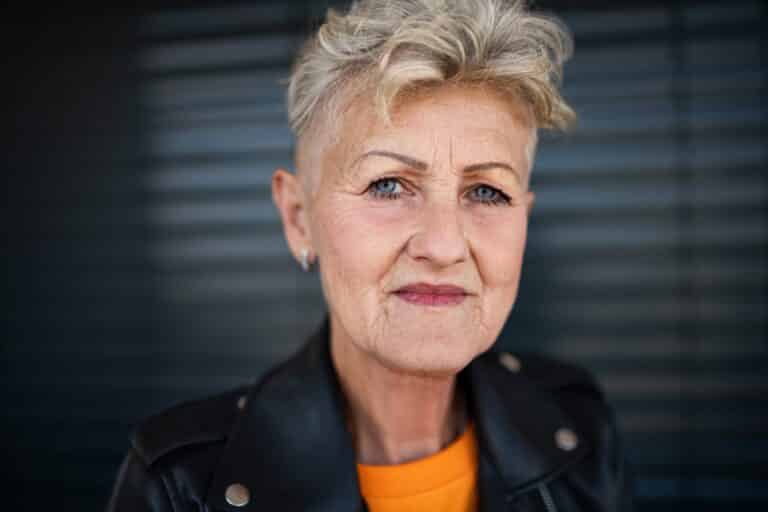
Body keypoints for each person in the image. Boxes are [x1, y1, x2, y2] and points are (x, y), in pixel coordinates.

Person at [106, 0, 634, 510]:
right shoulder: (180, 487)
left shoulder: (577, 422)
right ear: (297, 218)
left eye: (487, 192)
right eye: (388, 186)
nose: (444, 245)